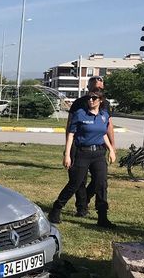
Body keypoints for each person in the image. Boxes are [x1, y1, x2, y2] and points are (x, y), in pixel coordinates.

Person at [49, 89, 117, 228]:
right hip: (82, 153)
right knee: (75, 183)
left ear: (101, 100)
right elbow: (71, 135)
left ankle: (102, 217)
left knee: (101, 183)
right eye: (89, 98)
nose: (90, 100)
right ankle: (56, 209)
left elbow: (103, 134)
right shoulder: (80, 115)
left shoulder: (104, 115)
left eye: (94, 98)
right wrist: (67, 154)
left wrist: (111, 150)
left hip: (98, 154)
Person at [67, 76, 115, 217]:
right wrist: (68, 151)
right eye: (94, 88)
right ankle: (81, 208)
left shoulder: (104, 104)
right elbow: (70, 128)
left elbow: (108, 127)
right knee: (79, 180)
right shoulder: (78, 103)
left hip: (98, 148)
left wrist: (112, 147)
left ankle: (87, 200)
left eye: (99, 88)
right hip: (79, 146)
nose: (93, 98)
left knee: (100, 180)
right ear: (88, 87)